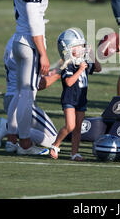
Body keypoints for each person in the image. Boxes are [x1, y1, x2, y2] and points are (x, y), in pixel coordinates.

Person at [5, 0, 60, 155]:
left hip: (19, 40)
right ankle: (25, 144)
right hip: (29, 43)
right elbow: (34, 20)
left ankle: (11, 139)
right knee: (28, 95)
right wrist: (43, 52)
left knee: (20, 94)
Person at [0, 34, 61, 152]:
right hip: (23, 103)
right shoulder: (30, 43)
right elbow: (37, 85)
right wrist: (62, 70)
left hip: (11, 98)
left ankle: (12, 130)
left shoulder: (15, 40)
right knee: (54, 140)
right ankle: (8, 127)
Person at [50, 28, 101, 161]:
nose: (81, 48)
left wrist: (92, 54)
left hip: (81, 99)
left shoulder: (82, 61)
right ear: (67, 49)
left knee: (78, 127)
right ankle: (55, 145)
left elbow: (98, 68)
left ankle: (74, 153)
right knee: (70, 126)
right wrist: (80, 70)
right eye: (77, 46)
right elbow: (68, 82)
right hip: (70, 99)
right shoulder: (68, 64)